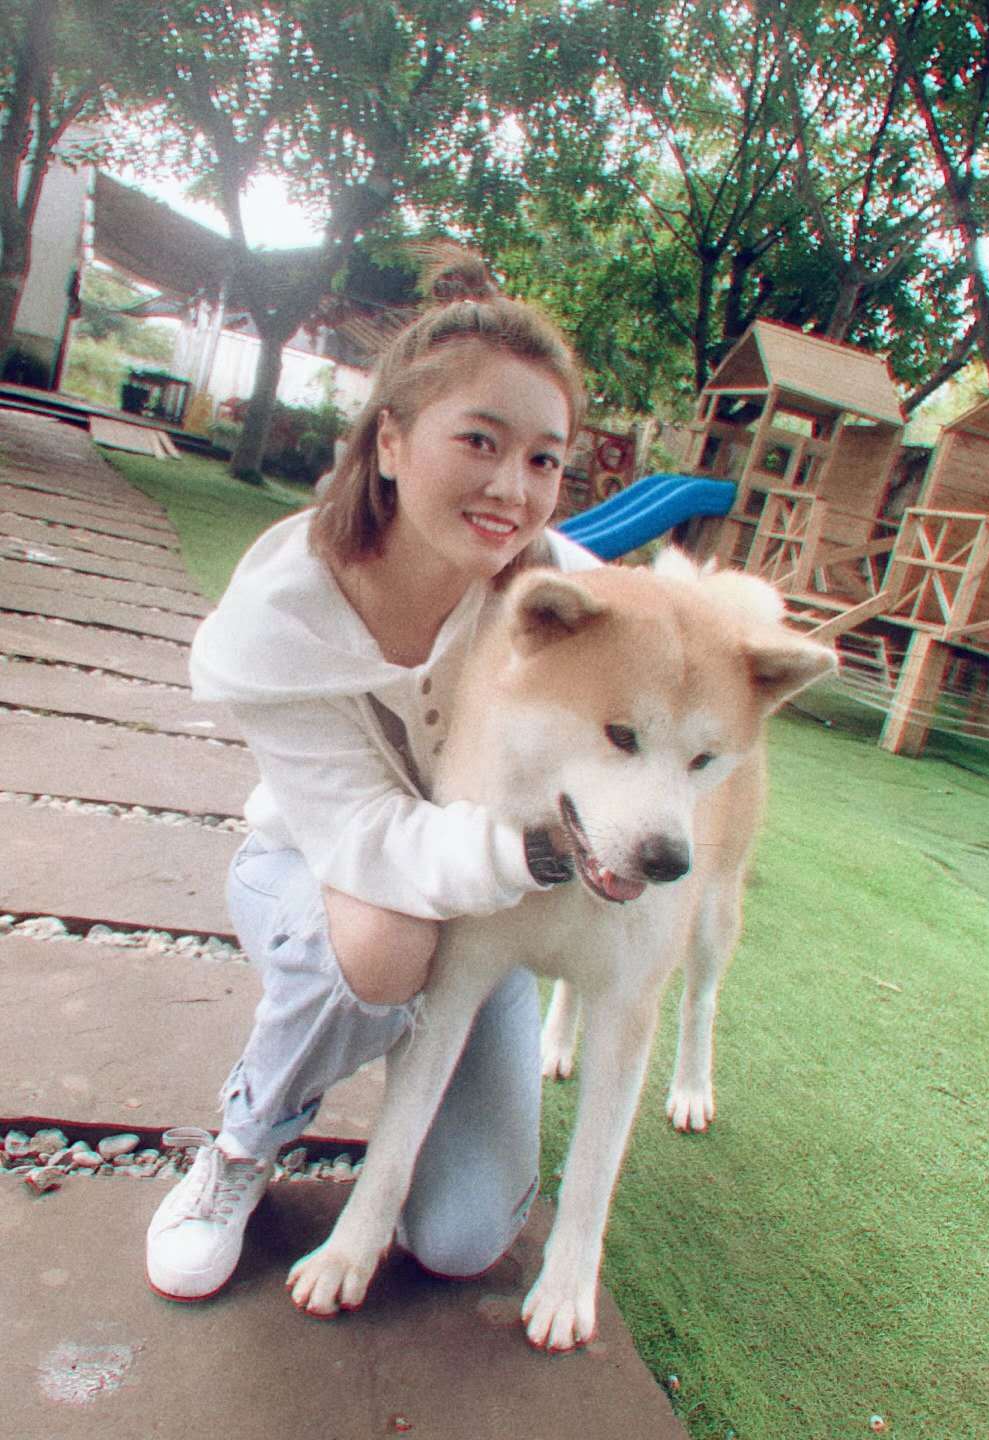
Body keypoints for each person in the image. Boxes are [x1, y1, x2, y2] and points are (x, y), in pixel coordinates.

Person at [145, 253, 600, 1303]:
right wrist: (541, 850)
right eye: (480, 441)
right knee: (389, 945)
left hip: (483, 916)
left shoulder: (555, 589)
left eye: (544, 459)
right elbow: (366, 839)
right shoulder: (284, 611)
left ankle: (435, 1095)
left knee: (460, 1239)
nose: (513, 488)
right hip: (316, 872)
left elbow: (657, 647)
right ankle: (243, 1143)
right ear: (390, 440)